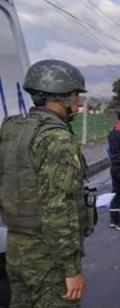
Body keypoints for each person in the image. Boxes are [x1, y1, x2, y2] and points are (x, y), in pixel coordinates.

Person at [0, 59, 95, 307]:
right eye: (75, 94)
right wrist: (71, 268)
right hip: (47, 256)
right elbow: (57, 208)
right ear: (59, 96)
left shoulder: (11, 129)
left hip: (16, 248)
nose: (78, 101)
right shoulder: (57, 138)